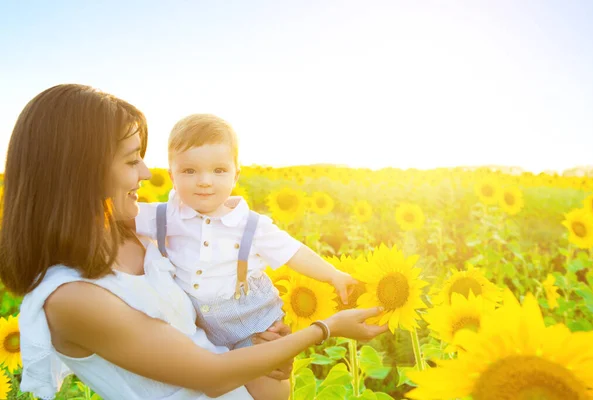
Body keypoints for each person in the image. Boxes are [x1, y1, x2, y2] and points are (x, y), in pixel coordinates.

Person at [0, 84, 388, 400]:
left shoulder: (134, 234)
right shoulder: (72, 297)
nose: (147, 172)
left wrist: (259, 349)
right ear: (80, 171)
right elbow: (213, 376)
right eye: (132, 160)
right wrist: (327, 328)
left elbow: (206, 339)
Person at [135, 113, 357, 353]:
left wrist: (333, 275)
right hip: (194, 327)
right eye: (189, 171)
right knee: (212, 382)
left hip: (255, 324)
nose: (205, 181)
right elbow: (111, 216)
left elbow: (293, 252)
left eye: (219, 170)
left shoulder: (251, 225)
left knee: (264, 386)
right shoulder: (164, 216)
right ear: (172, 177)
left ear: (235, 176)